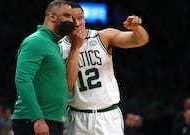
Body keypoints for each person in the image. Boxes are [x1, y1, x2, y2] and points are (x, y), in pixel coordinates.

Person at [58, 2, 149, 135]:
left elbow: (140, 40)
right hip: (78, 116)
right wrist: (76, 47)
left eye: (80, 18)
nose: (77, 23)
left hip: (108, 115)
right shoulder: (59, 48)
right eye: (72, 19)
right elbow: (67, 85)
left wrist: (136, 28)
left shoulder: (103, 36)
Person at [11, 0, 74, 135]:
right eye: (67, 15)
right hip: (33, 121)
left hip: (51, 120)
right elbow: (22, 81)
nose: (71, 21)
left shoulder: (53, 44)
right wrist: (38, 118)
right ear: (52, 17)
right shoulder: (36, 41)